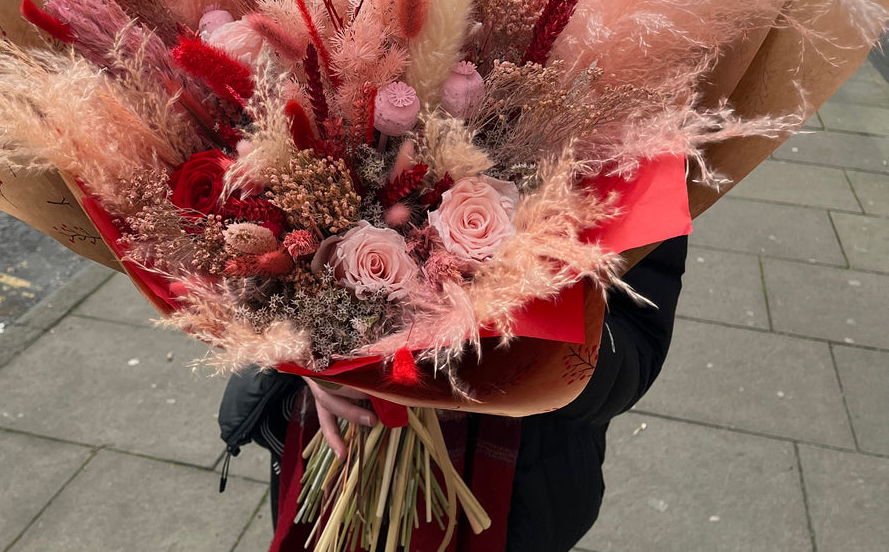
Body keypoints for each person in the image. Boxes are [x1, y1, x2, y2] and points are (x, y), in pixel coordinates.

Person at [219, 234, 688, 552]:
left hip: (521, 492)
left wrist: (497, 343)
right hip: (331, 461)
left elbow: (635, 348)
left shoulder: (631, 125)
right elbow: (249, 261)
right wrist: (309, 352)